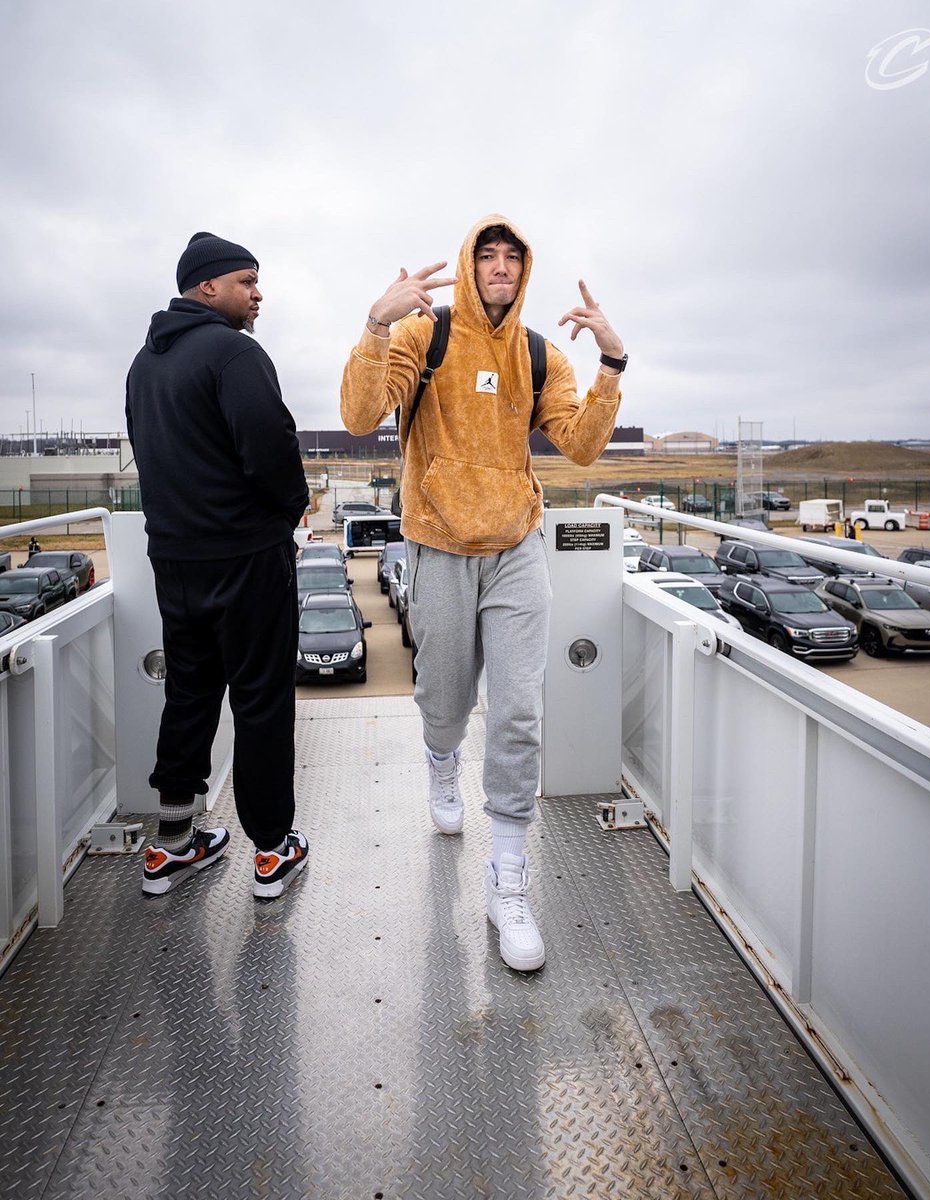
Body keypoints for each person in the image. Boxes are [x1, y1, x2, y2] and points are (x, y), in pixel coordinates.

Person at [341, 214, 626, 971]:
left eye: (512, 258)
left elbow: (584, 447)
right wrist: (377, 320)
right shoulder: (421, 336)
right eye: (487, 255)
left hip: (516, 551)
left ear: (523, 271)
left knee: (520, 706)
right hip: (435, 544)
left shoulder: (537, 353)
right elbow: (360, 416)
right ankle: (441, 760)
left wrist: (613, 361)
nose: (500, 267)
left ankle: (507, 877)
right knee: (442, 697)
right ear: (471, 265)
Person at [126, 232, 310, 899]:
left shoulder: (143, 366)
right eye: (247, 281)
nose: (258, 294)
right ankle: (271, 849)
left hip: (175, 560)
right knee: (261, 700)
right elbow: (270, 446)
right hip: (244, 559)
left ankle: (172, 844)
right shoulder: (235, 352)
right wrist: (290, 509)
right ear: (207, 286)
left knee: (190, 693)